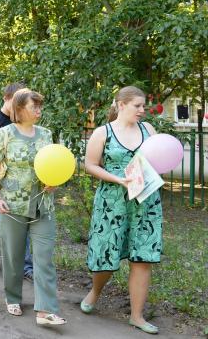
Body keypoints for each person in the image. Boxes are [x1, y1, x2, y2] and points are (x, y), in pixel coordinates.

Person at [81, 86, 161, 335]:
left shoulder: (148, 130)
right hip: (112, 202)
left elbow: (158, 159)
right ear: (121, 104)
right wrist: (118, 180)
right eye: (137, 105)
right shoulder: (102, 132)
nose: (142, 110)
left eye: (143, 105)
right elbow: (90, 165)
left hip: (145, 202)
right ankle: (95, 292)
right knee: (105, 257)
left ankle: (137, 316)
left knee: (142, 257)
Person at [0, 89, 66, 326]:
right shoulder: (4, 133)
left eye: (40, 106)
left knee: (44, 258)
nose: (39, 111)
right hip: (12, 205)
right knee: (13, 256)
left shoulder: (46, 134)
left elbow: (52, 165)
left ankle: (45, 310)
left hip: (43, 204)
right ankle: (13, 296)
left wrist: (53, 183)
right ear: (19, 109)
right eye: (35, 107)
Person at [0, 83, 34, 279]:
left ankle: (26, 266)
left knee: (24, 223)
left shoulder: (25, 122)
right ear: (6, 98)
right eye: (17, 100)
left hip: (21, 182)